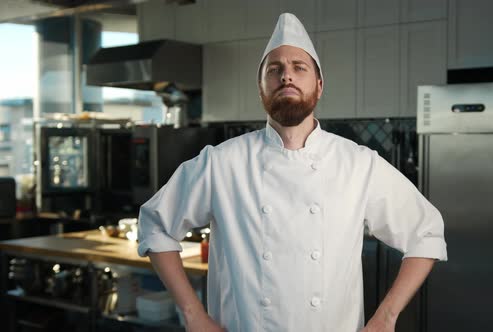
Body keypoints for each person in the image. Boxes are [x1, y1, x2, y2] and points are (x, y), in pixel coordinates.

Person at [137, 13, 447, 332]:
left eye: (299, 68)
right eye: (275, 70)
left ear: (319, 85)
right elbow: (155, 225)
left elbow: (426, 234)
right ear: (261, 89)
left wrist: (386, 317)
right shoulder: (221, 163)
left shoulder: (359, 163)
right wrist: (193, 315)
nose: (287, 76)